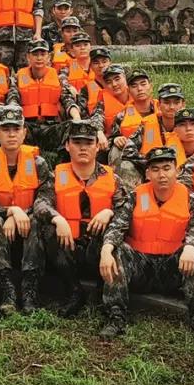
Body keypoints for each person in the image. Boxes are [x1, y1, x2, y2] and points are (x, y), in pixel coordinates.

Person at [98, 146, 194, 342]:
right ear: (147, 173)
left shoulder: (190, 198)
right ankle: (116, 317)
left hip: (173, 268)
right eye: (155, 169)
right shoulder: (136, 195)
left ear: (177, 171)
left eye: (167, 168)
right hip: (142, 266)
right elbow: (118, 225)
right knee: (116, 250)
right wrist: (106, 249)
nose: (162, 175)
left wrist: (190, 246)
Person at [30, 120, 126, 317]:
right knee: (47, 228)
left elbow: (126, 210)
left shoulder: (112, 178)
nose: (83, 147)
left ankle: (104, 295)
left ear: (97, 146)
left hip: (97, 250)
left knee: (114, 232)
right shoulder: (55, 175)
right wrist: (58, 219)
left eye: (89, 142)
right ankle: (74, 291)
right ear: (67, 145)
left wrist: (109, 212)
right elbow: (40, 204)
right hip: (68, 250)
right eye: (77, 142)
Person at [0, 105, 54, 315]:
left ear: (24, 132)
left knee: (37, 220)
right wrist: (10, 211)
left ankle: (30, 291)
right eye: (5, 129)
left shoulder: (39, 163)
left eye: (16, 128)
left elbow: (45, 200)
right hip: (0, 234)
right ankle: (6, 289)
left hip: (30, 232)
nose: (11, 134)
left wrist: (21, 212)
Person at [7, 38, 70, 152]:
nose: (39, 58)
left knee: (72, 125)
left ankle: (58, 156)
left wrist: (76, 117)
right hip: (27, 127)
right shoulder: (18, 77)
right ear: (28, 57)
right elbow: (13, 98)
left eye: (43, 54)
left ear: (48, 57)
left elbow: (67, 99)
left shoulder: (58, 77)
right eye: (35, 54)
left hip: (51, 127)